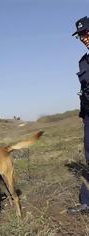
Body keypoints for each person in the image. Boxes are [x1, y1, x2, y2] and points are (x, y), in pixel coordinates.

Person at [68, 16, 89, 214]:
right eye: (81, 35)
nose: (84, 37)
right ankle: (87, 202)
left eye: (86, 32)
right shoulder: (83, 62)